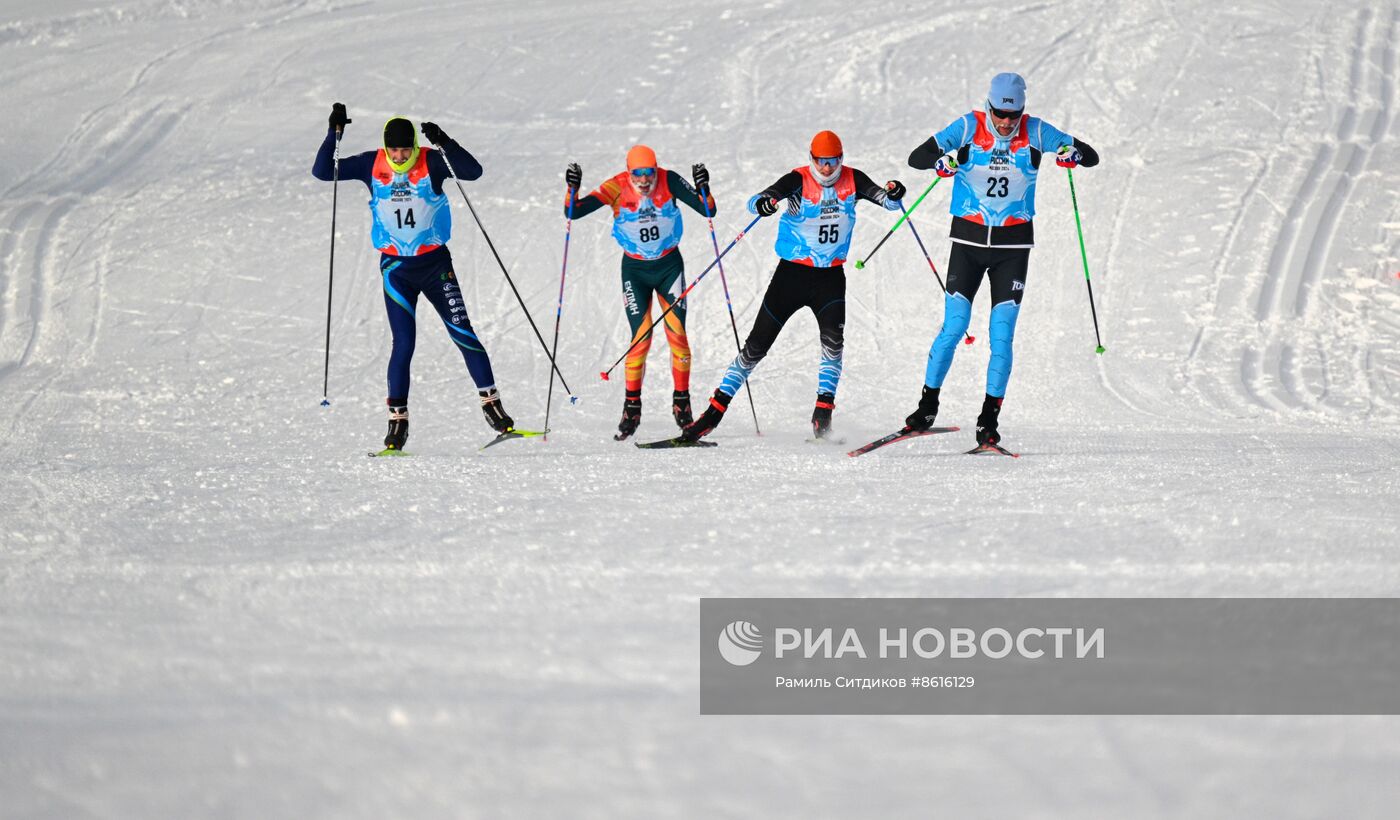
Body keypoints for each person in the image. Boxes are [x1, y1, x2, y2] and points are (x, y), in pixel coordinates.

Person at [901, 73, 1099, 450]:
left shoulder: (1037, 132)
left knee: (1002, 336)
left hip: (1013, 248)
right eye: (999, 114)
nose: (1006, 123)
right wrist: (940, 162)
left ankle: (988, 422)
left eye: (1014, 115)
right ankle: (926, 408)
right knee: (954, 326)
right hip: (968, 242)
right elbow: (917, 157)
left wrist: (1073, 154)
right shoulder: (968, 125)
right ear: (989, 105)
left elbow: (1090, 155)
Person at [312, 104, 515, 453]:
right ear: (386, 147)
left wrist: (445, 143)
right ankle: (397, 425)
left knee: (463, 332)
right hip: (396, 270)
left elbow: (473, 171)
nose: (401, 155)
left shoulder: (430, 161)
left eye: (406, 148)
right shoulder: (369, 164)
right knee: (403, 344)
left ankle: (494, 410)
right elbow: (322, 171)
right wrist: (334, 133)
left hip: (436, 266)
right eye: (395, 150)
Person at [682, 130, 905, 441]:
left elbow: (890, 204)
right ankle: (711, 416)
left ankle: (822, 417)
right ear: (810, 159)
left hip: (830, 279)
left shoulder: (854, 179)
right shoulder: (798, 180)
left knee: (833, 346)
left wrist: (895, 193)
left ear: (841, 159)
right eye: (821, 162)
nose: (827, 168)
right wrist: (765, 203)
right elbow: (755, 201)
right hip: (791, 277)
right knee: (755, 348)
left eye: (833, 161)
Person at [564, 147, 716, 440]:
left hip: (669, 266)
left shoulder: (669, 181)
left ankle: (681, 404)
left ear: (656, 169)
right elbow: (573, 211)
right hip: (635, 272)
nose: (645, 180)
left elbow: (708, 210)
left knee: (678, 336)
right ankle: (631, 407)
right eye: (638, 174)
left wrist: (703, 187)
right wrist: (573, 189)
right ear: (629, 171)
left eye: (649, 173)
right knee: (641, 337)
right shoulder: (616, 186)